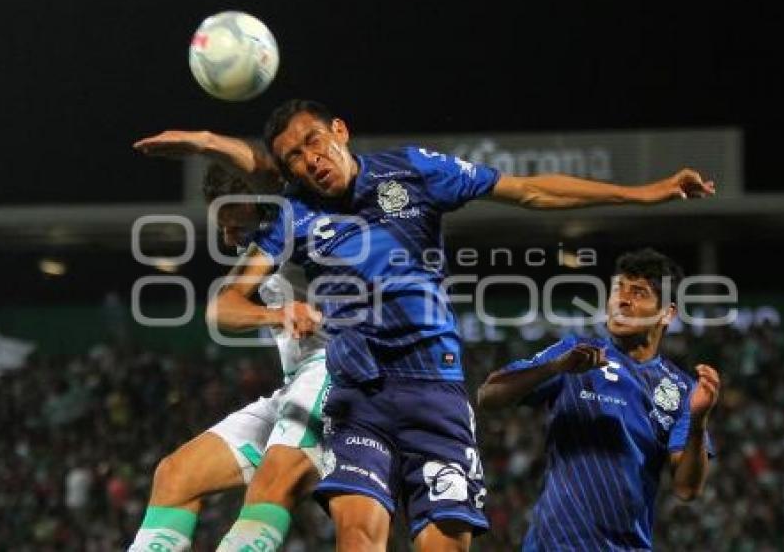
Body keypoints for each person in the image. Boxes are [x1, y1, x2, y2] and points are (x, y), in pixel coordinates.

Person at [144, 98, 715, 552]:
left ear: (339, 131)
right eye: (294, 158)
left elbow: (531, 190)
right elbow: (228, 293)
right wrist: (278, 308)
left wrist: (647, 193)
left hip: (434, 391)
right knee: (356, 535)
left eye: (313, 142)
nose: (308, 161)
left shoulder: (413, 170)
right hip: (359, 391)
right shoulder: (295, 212)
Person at [127, 164, 326, 552]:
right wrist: (277, 315)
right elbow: (220, 311)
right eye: (222, 227)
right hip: (297, 384)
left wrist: (206, 141)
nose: (228, 236)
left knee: (272, 484)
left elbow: (271, 168)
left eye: (237, 226)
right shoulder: (259, 252)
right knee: (174, 475)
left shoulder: (304, 226)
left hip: (339, 373)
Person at [477, 248, 720, 551]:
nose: (622, 300)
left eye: (639, 293)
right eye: (618, 289)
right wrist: (555, 367)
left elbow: (686, 489)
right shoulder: (575, 353)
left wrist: (698, 422)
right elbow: (488, 396)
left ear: (667, 313)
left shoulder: (681, 389)